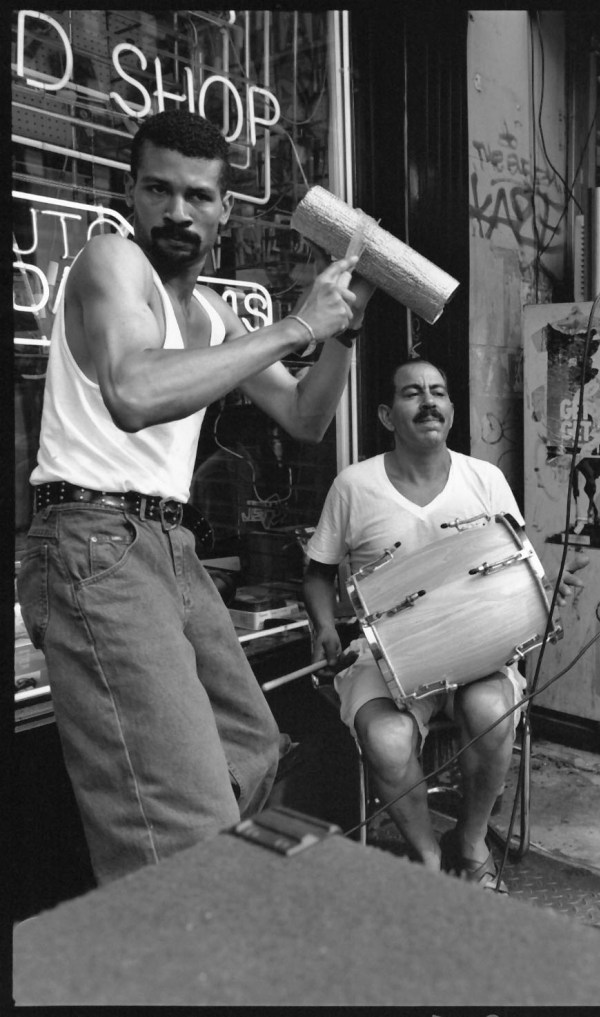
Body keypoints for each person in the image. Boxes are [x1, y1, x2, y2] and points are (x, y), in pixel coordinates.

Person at [16, 110, 374, 884]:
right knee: (189, 825)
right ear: (131, 195)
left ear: (224, 211)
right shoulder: (112, 263)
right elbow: (134, 392)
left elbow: (306, 417)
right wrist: (292, 326)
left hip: (169, 548)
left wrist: (341, 333)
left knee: (251, 747)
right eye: (160, 190)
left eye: (199, 197)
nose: (179, 212)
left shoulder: (210, 314)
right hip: (92, 541)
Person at [303, 358, 581, 891]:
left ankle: (471, 840)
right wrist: (323, 626)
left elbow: (516, 570)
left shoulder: (486, 479)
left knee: (492, 712)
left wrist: (546, 590)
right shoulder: (353, 485)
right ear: (386, 414)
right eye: (412, 393)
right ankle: (427, 855)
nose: (428, 402)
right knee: (386, 741)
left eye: (438, 391)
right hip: (389, 658)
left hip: (479, 650)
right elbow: (316, 575)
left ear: (451, 409)